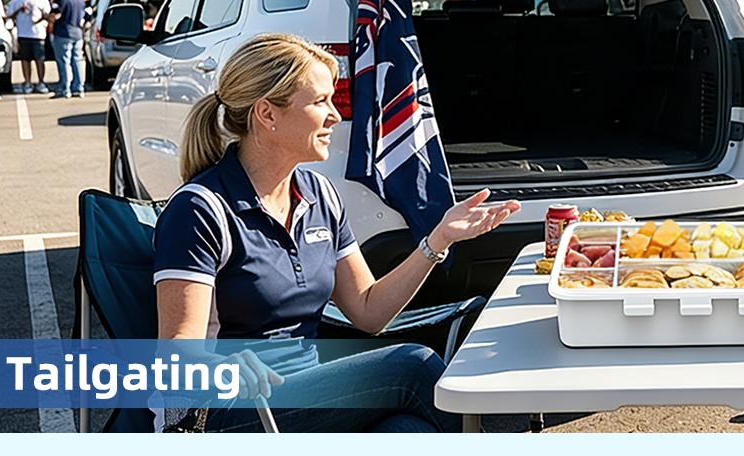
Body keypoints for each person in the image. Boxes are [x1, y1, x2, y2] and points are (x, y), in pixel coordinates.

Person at [153, 33, 522, 432]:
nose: (335, 115)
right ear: (267, 114)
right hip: (226, 411)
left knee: (408, 431)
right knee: (411, 366)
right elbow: (177, 355)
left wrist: (438, 240)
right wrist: (223, 366)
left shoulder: (319, 195)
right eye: (319, 102)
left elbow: (368, 310)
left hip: (304, 401)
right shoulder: (200, 209)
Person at [5, 0, 51, 94]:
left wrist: (39, 18)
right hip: (23, 34)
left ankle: (41, 82)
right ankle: (27, 82)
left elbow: (48, 14)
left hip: (38, 34)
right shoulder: (17, 0)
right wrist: (19, 10)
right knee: (25, 59)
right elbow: (9, 15)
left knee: (40, 59)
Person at [48, 0, 86, 99]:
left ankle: (65, 88)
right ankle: (79, 88)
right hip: (77, 32)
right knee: (77, 60)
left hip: (63, 32)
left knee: (64, 61)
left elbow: (55, 14)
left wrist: (48, 18)